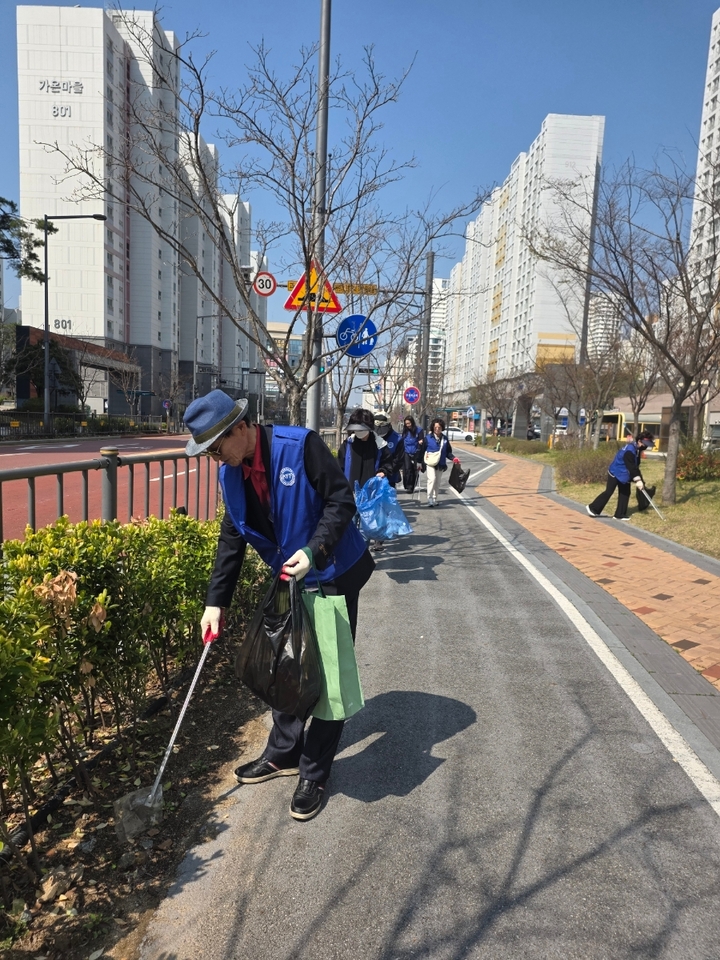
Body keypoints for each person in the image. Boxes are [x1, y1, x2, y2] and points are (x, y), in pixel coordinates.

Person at [186, 390, 374, 821]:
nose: (215, 458)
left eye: (216, 447)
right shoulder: (231, 473)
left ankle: (315, 771)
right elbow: (232, 536)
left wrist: (314, 551)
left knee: (328, 674)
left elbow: (341, 500)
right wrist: (216, 602)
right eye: (208, 452)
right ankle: (285, 751)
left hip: (332, 570)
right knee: (286, 666)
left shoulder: (300, 445)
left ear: (240, 427)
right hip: (289, 578)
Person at [586, 430, 655, 521]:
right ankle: (593, 508)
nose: (646, 446)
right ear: (639, 441)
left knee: (625, 493)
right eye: (645, 444)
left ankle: (620, 514)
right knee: (609, 491)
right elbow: (631, 466)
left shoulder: (637, 449)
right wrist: (638, 480)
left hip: (624, 474)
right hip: (615, 472)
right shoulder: (630, 451)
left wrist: (639, 478)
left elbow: (635, 466)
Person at [423, 417, 460, 507]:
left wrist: (453, 458)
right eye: (435, 427)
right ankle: (429, 499)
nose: (437, 429)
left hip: (441, 464)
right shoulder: (427, 438)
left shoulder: (445, 439)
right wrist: (419, 463)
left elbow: (448, 452)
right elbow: (421, 451)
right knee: (431, 479)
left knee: (437, 482)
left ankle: (434, 498)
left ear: (442, 428)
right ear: (432, 427)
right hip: (430, 463)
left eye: (439, 427)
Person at [373, 412, 404, 487]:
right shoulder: (371, 436)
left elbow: (398, 460)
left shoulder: (397, 439)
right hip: (372, 477)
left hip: (389, 478)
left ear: (389, 425)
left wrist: (385, 471)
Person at [401, 415, 425, 492]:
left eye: (409, 423)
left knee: (415, 470)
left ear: (412, 422)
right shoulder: (405, 431)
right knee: (407, 469)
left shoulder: (419, 430)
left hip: (416, 452)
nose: (408, 425)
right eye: (406, 424)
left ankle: (412, 486)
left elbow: (422, 441)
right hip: (406, 452)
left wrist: (421, 443)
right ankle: (408, 486)